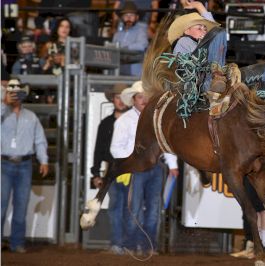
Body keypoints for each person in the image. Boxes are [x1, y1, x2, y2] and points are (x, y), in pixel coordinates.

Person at [168, 0, 265, 126]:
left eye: (204, 28)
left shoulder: (207, 41)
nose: (203, 30)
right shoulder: (183, 42)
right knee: (219, 32)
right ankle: (216, 79)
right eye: (199, 27)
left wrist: (200, 7)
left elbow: (214, 31)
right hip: (203, 83)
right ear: (186, 31)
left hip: (228, 79)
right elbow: (187, 69)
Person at [110, 81, 179, 255]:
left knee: (153, 208)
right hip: (136, 169)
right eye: (140, 97)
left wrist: (173, 165)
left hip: (155, 168)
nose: (144, 100)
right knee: (135, 208)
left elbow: (166, 143)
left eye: (146, 97)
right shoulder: (124, 121)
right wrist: (132, 159)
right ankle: (133, 244)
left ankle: (148, 246)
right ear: (133, 99)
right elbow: (115, 148)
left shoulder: (157, 120)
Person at [1, 79, 49, 253]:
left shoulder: (31, 116)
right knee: (1, 205)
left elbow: (39, 140)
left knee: (21, 206)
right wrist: (4, 104)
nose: (15, 96)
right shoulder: (2, 113)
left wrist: (43, 160)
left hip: (24, 164)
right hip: (4, 163)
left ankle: (17, 242)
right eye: (12, 92)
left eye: (17, 93)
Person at [90, 83, 129, 255]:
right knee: (116, 206)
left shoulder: (133, 121)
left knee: (126, 207)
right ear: (113, 99)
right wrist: (96, 173)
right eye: (117, 97)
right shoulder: (106, 124)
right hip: (112, 168)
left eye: (123, 97)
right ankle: (118, 244)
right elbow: (98, 150)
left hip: (129, 169)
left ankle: (123, 244)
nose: (120, 101)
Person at [112, 1, 149, 76]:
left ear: (137, 17)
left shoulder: (141, 31)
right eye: (126, 15)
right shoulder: (117, 34)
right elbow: (112, 48)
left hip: (135, 72)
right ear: (122, 17)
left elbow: (142, 45)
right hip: (118, 70)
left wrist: (124, 48)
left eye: (131, 15)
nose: (128, 18)